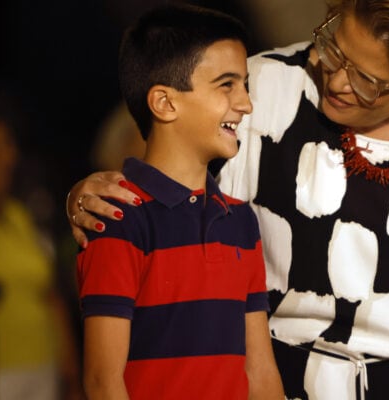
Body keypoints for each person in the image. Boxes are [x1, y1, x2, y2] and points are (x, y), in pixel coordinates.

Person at [69, 0, 389, 398]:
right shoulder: (265, 90)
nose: (335, 81)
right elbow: (158, 164)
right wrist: (89, 193)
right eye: (333, 46)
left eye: (366, 80)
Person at [74, 4, 283, 399]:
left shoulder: (240, 220)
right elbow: (103, 383)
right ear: (165, 103)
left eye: (244, 85)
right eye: (226, 85)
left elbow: (259, 370)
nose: (246, 104)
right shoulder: (118, 217)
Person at [0, 85, 82, 400]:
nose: (11, 156)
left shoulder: (18, 216)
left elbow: (51, 296)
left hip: (43, 368)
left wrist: (71, 372)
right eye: (0, 146)